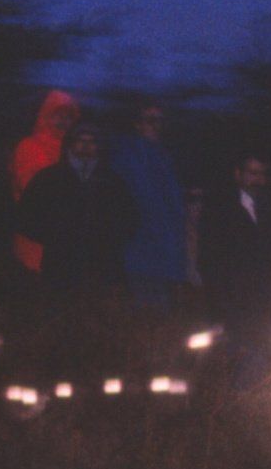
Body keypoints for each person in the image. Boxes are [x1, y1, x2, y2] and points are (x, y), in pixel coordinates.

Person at [15, 126, 137, 292]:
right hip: (59, 266)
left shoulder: (112, 182)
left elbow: (129, 218)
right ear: (70, 144)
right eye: (80, 140)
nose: (86, 145)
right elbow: (27, 216)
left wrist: (109, 242)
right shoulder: (49, 178)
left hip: (101, 267)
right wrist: (55, 237)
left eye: (92, 141)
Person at [197, 152, 271, 385]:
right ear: (238, 174)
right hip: (232, 298)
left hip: (260, 299)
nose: (258, 179)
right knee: (235, 356)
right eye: (252, 173)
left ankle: (248, 403)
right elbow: (212, 257)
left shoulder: (266, 207)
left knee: (260, 353)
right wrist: (220, 300)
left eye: (261, 174)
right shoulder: (221, 209)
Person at [109, 98, 188, 310]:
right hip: (138, 253)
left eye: (159, 121)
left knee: (161, 318)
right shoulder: (126, 156)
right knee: (142, 316)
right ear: (137, 123)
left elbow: (173, 209)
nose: (155, 126)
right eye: (150, 120)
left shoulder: (164, 157)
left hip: (164, 254)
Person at [10, 89, 80, 274]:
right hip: (34, 247)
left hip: (64, 247)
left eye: (68, 117)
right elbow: (34, 192)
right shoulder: (29, 146)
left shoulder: (74, 151)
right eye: (58, 115)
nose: (63, 122)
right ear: (45, 116)